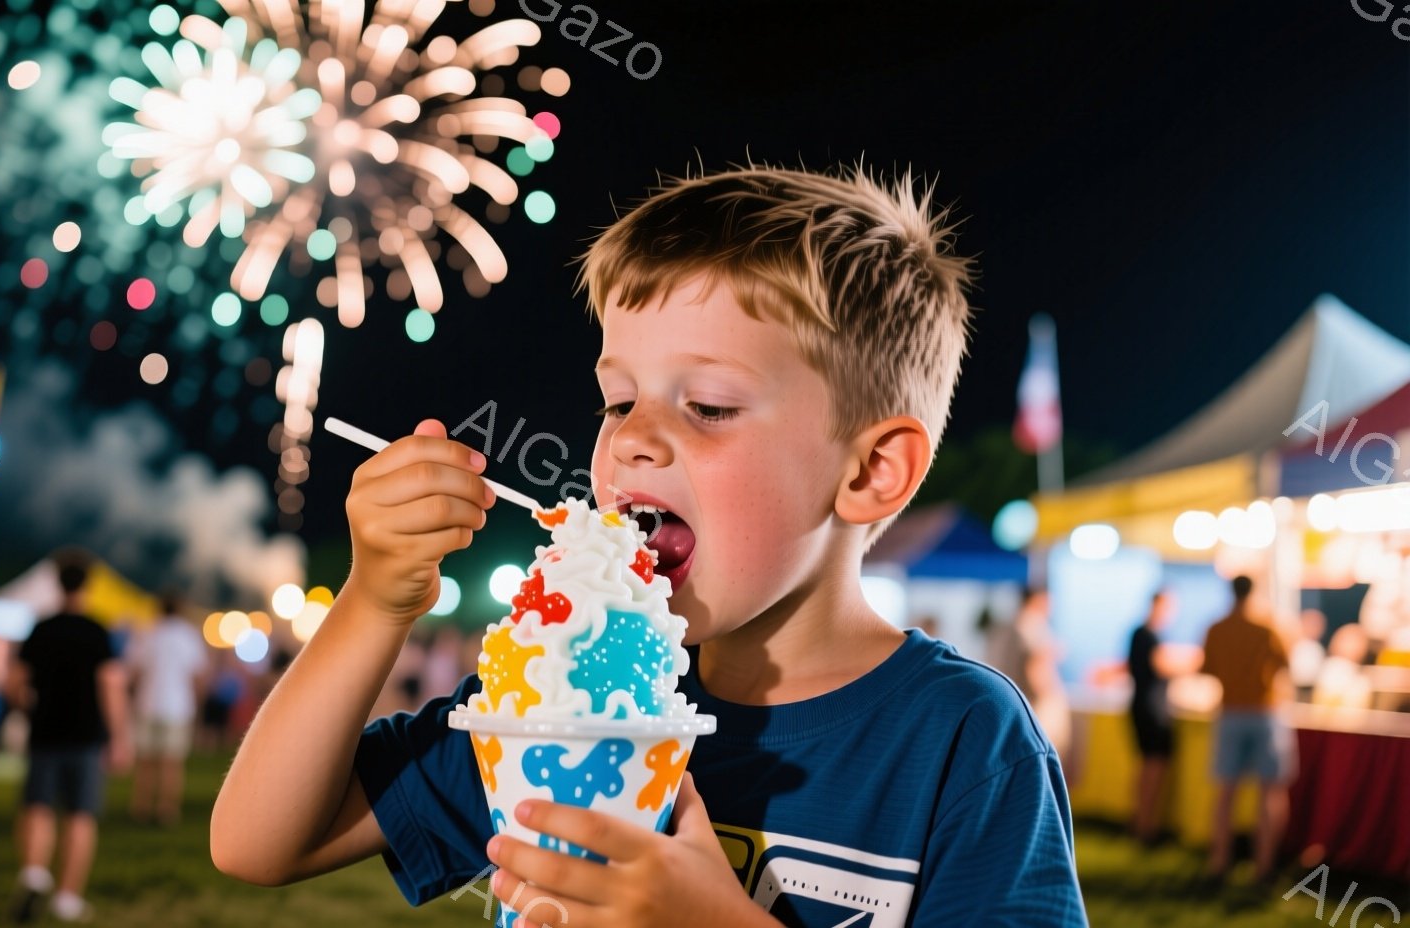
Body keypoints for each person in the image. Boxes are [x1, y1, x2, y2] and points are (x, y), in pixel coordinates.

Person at [212, 166, 1088, 925]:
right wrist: (375, 602)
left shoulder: (963, 743)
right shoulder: (563, 687)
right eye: (617, 400)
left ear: (871, 472)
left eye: (707, 405)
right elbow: (261, 842)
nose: (632, 438)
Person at [8, 556, 132, 922]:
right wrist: (120, 736)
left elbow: (14, 682)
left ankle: (33, 872)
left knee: (38, 806)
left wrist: (26, 703)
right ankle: (68, 897)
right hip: (86, 734)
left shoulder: (41, 628)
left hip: (45, 730)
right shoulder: (98, 631)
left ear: (57, 584)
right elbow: (111, 686)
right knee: (80, 814)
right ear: (87, 586)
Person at [1200, 574, 1293, 884]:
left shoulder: (1216, 629)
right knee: (1270, 789)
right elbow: (1286, 663)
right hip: (1265, 712)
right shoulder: (1269, 627)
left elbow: (1208, 668)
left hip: (1229, 712)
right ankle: (1264, 865)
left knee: (1226, 791)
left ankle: (1219, 862)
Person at [125, 592, 207, 826]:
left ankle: (141, 807)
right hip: (178, 706)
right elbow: (198, 675)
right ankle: (167, 810)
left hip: (147, 703)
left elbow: (134, 671)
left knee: (146, 762)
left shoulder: (148, 633)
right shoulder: (188, 636)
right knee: (172, 762)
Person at [986, 587, 1071, 760]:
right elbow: (1036, 666)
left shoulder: (1009, 626)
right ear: (1037, 599)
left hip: (1013, 703)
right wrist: (1048, 697)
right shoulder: (1031, 625)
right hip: (1033, 704)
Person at [1127, 590, 1178, 845]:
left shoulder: (1139, 633)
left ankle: (1141, 821)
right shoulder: (1149, 635)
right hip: (1152, 709)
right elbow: (1161, 666)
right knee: (1153, 767)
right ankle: (1146, 825)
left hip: (1141, 705)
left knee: (1147, 766)